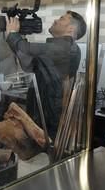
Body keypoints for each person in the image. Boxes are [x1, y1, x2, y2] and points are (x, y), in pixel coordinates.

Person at [5, 10, 86, 138]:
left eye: (62, 18)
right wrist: (20, 37)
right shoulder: (63, 47)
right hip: (44, 111)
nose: (56, 20)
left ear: (71, 29)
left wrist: (13, 33)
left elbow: (25, 49)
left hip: (49, 115)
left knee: (47, 150)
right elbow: (30, 63)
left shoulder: (65, 47)